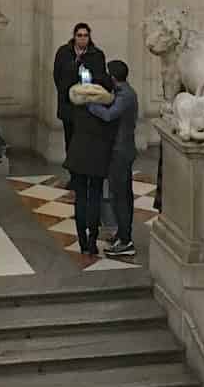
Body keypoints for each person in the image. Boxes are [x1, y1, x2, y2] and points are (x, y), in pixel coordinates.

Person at [89, 59, 141, 257]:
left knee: (119, 196)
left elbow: (110, 115)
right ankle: (122, 233)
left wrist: (91, 105)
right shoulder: (123, 92)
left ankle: (126, 241)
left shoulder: (126, 95)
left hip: (121, 152)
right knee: (122, 195)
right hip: (122, 150)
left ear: (113, 77)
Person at [66, 72, 118, 258]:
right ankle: (92, 240)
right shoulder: (107, 105)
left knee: (80, 198)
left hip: (78, 154)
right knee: (95, 197)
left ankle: (82, 241)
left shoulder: (79, 103)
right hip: (97, 156)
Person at [52, 24, 108, 155]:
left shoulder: (97, 55)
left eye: (85, 35)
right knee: (70, 139)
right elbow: (57, 75)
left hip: (87, 105)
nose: (82, 38)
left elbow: (101, 78)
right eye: (79, 35)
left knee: (85, 141)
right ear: (74, 36)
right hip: (68, 104)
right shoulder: (63, 52)